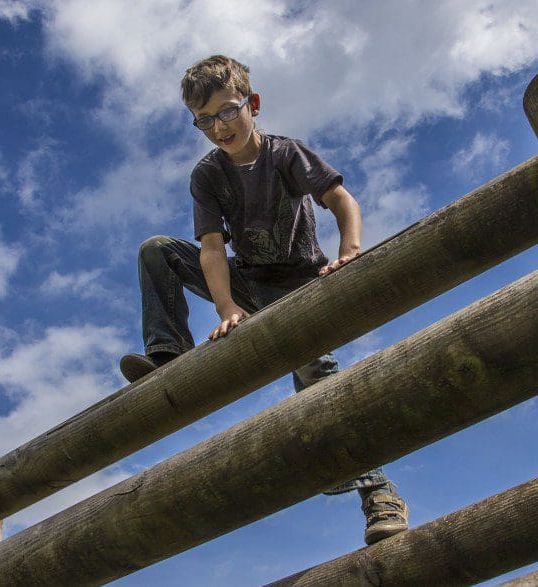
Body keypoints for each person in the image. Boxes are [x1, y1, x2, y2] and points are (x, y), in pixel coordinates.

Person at [120, 55, 408, 545]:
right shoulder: (208, 176)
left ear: (252, 104)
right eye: (205, 120)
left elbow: (342, 200)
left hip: (300, 287)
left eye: (228, 111)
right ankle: (169, 353)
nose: (219, 127)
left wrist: (350, 254)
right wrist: (227, 307)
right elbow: (211, 249)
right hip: (248, 284)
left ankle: (380, 494)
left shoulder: (285, 154)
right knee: (158, 252)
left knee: (321, 383)